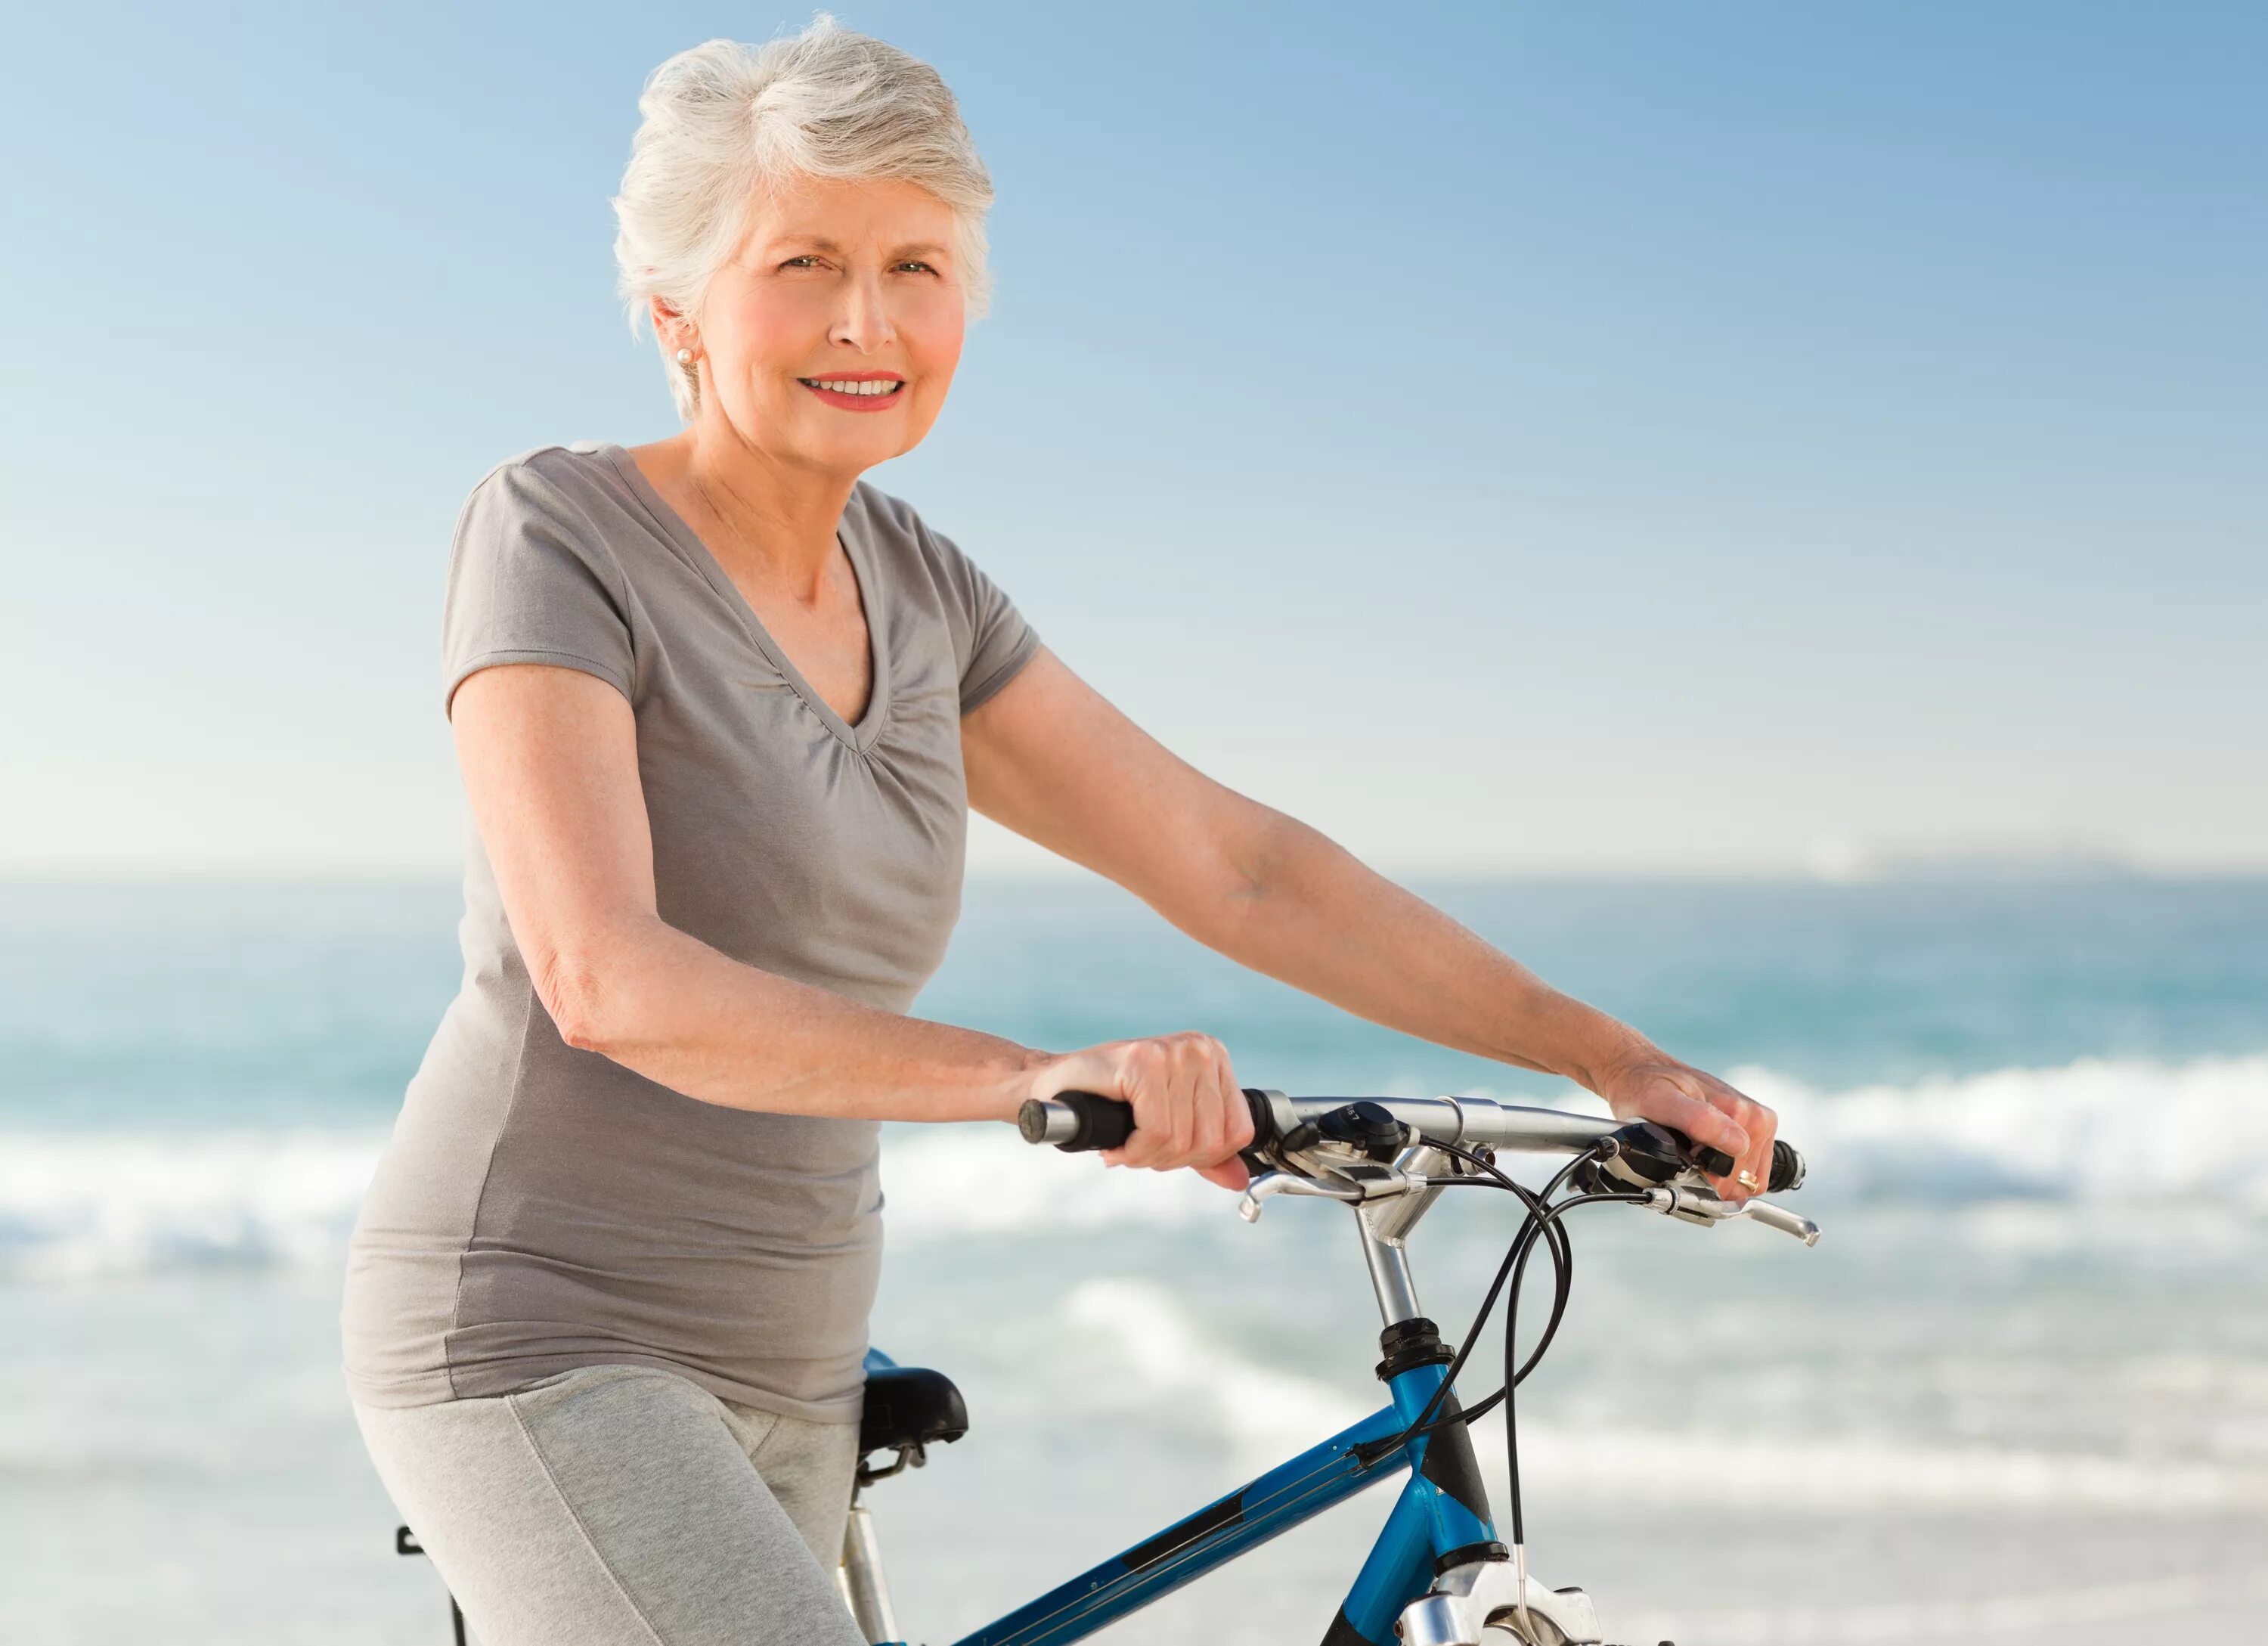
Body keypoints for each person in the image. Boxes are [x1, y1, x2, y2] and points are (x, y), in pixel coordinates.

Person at [341, 19, 1777, 1646]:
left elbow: (1233, 866)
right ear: (677, 306)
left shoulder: (929, 595)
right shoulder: (560, 531)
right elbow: (607, 979)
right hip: (543, 1338)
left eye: (917, 264)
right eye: (802, 261)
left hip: (798, 1356)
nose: (868, 320)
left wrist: (1606, 1056)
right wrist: (1028, 1078)